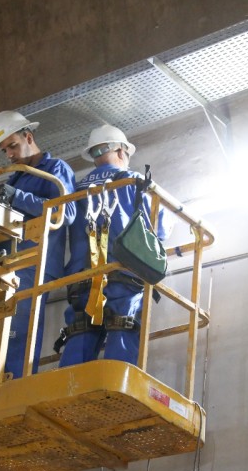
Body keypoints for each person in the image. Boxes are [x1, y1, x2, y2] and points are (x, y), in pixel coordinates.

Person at [59, 124, 171, 367]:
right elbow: (160, 229)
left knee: (80, 332)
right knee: (123, 328)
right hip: (123, 274)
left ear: (94, 155)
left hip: (81, 279)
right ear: (121, 151)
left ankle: (70, 386)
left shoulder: (76, 191)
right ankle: (114, 386)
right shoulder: (134, 181)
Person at [0, 110, 76, 379]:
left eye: (13, 146)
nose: (9, 154)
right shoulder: (15, 177)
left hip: (34, 262)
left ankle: (14, 386)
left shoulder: (55, 170)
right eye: (5, 150)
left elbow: (65, 213)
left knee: (18, 331)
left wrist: (17, 197)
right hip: (6, 263)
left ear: (28, 137)